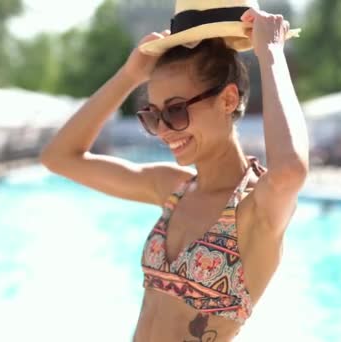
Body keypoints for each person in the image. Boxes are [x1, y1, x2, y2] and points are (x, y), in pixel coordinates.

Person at [40, 1, 309, 340]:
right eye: (152, 115)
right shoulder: (172, 188)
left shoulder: (256, 207)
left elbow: (290, 171)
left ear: (227, 100)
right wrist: (129, 76)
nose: (164, 129)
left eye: (177, 110)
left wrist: (271, 53)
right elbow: (59, 157)